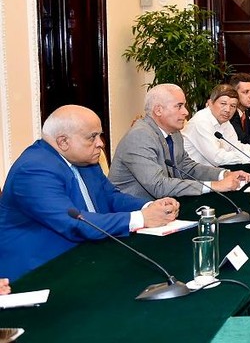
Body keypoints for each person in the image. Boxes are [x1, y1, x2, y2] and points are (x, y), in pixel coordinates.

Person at [0, 105, 179, 282]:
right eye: (92, 137)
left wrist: (150, 207)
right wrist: (141, 218)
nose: (100, 143)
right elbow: (73, 223)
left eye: (100, 135)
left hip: (85, 257)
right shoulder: (34, 170)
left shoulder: (84, 160)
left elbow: (110, 197)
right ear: (63, 142)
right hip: (39, 273)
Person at [109, 84, 250, 200]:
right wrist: (215, 185)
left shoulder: (174, 133)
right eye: (179, 106)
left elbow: (187, 167)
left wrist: (223, 174)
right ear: (158, 110)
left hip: (167, 203)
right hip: (134, 212)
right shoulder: (140, 136)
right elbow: (158, 186)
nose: (186, 112)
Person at [182, 84, 250, 167]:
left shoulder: (224, 121)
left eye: (233, 106)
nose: (228, 110)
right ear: (210, 103)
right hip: (196, 177)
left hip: (217, 172)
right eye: (223, 104)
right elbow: (217, 158)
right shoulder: (200, 122)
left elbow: (235, 146)